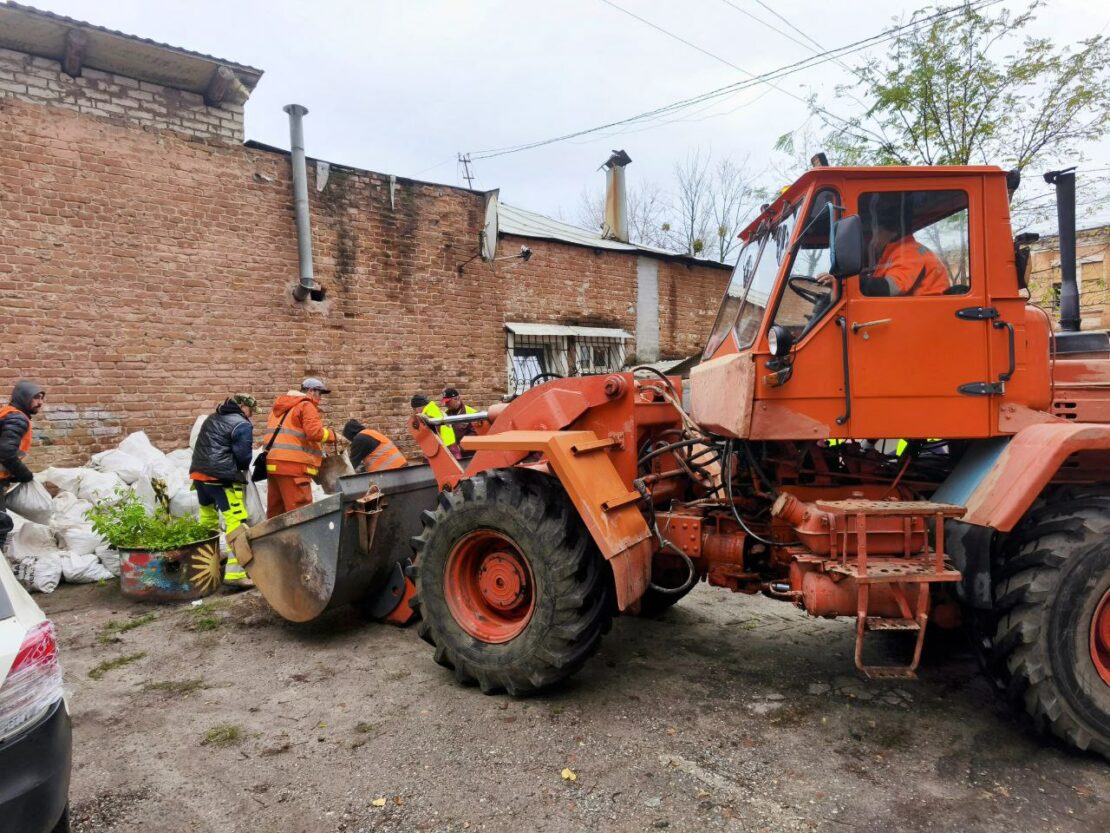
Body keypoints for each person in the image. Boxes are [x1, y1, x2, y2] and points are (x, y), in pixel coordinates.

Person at [818, 195, 949, 296]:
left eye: (877, 232)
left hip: (923, 317)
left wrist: (844, 283)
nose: (873, 239)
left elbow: (891, 288)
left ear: (893, 232)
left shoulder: (910, 253)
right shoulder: (894, 254)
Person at [189, 394, 257, 587]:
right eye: (251, 411)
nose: (251, 415)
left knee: (208, 522)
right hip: (222, 480)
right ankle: (236, 575)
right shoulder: (241, 424)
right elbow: (244, 458)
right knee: (236, 524)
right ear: (243, 406)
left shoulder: (212, 418)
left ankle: (205, 569)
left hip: (199, 477)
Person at [264, 378, 337, 518]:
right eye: (319, 393)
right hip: (294, 468)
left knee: (276, 512)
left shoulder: (279, 407)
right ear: (310, 391)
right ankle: (301, 540)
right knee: (300, 513)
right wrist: (333, 436)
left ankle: (275, 540)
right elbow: (314, 432)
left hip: (273, 465)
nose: (320, 398)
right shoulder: (306, 405)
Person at [0, 380, 45, 552]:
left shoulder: (7, 413)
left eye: (41, 398)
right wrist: (25, 475)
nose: (40, 402)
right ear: (23, 397)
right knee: (2, 524)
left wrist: (11, 475)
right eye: (35, 397)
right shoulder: (17, 418)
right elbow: (6, 453)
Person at [439, 387, 484, 459]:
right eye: (445, 402)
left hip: (469, 456)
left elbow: (475, 435)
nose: (446, 404)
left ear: (457, 399)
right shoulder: (446, 415)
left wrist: (459, 448)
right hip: (453, 456)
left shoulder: (471, 413)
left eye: (448, 401)